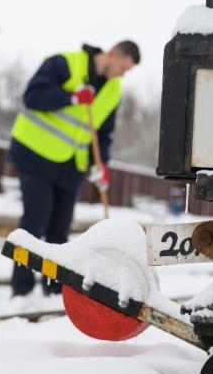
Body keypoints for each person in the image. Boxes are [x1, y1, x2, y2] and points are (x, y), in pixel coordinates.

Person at [8, 41, 140, 296]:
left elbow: (102, 134)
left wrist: (101, 165)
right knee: (34, 222)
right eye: (123, 68)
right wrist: (71, 97)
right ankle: (21, 289)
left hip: (70, 165)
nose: (123, 75)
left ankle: (55, 290)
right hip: (36, 154)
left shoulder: (113, 91)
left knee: (60, 228)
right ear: (112, 54)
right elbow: (33, 96)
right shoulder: (64, 64)